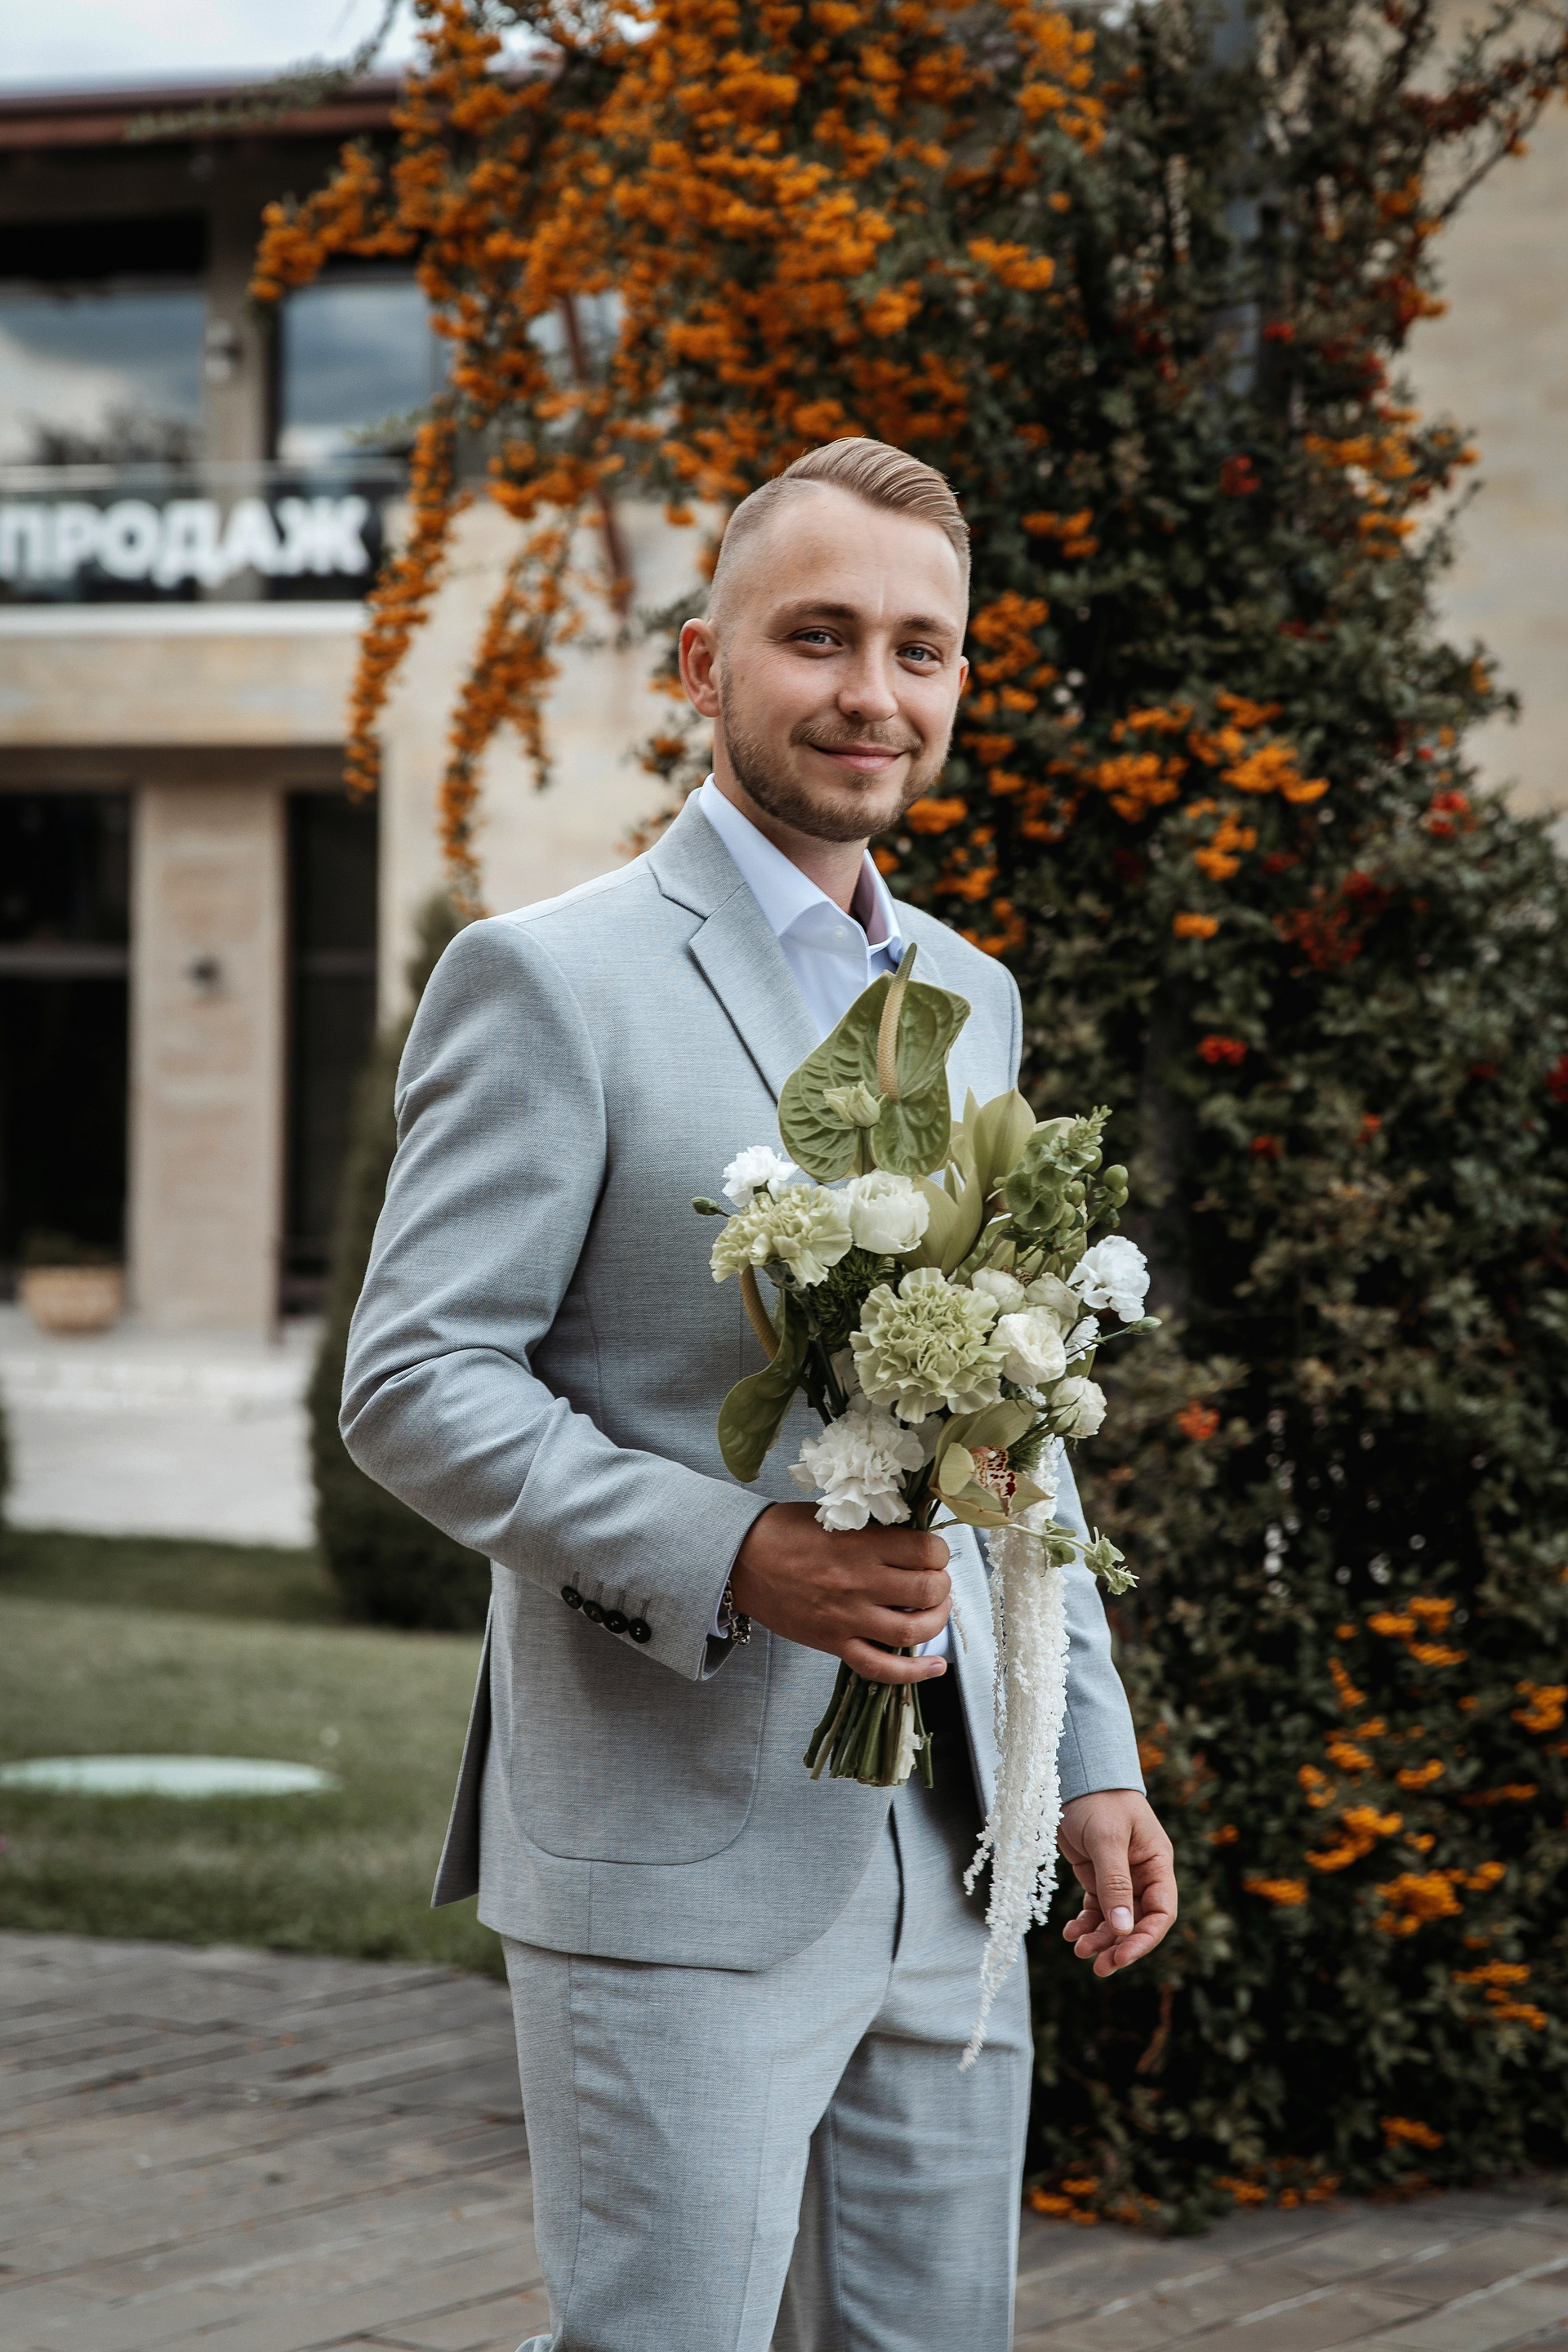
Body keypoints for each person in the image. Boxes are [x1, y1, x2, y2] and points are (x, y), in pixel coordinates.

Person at [342, 436, 1177, 2352]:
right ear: (703, 664)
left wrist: (1088, 1754)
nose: (875, 692)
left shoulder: (970, 995)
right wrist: (737, 1554)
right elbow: (413, 1378)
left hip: (955, 1854)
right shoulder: (550, 981)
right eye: (819, 637)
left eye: (920, 649)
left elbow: (1011, 1416)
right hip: (674, 1853)